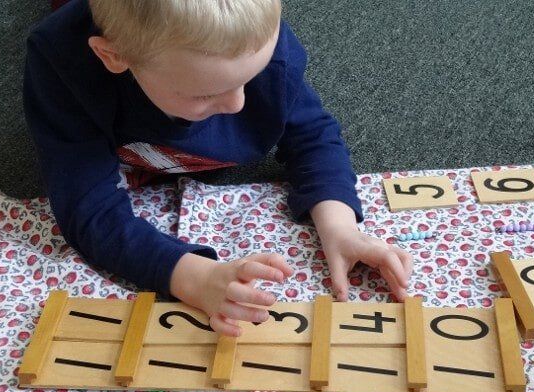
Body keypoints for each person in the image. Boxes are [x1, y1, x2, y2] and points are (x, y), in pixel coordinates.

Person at [24, 0, 412, 336]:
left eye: (252, 77)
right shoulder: (61, 63)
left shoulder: (253, 39)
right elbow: (89, 209)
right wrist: (194, 277)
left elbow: (311, 134)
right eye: (206, 94)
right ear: (113, 57)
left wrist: (340, 226)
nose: (239, 105)